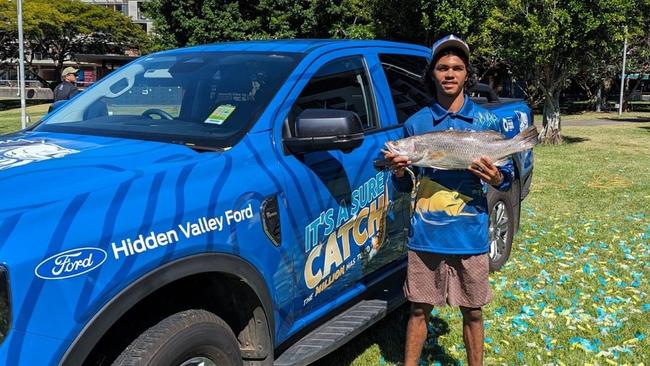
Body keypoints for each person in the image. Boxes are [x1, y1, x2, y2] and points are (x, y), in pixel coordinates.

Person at [384, 35, 514, 366]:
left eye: (457, 67)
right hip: (426, 234)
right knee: (418, 309)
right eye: (442, 67)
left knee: (473, 311)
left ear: (467, 73)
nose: (450, 74)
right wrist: (399, 173)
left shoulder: (487, 123)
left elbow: (507, 175)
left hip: (470, 234)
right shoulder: (417, 124)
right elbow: (403, 188)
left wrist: (496, 177)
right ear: (433, 74)